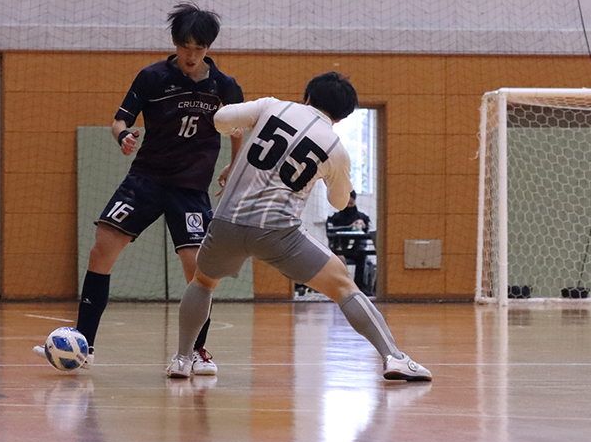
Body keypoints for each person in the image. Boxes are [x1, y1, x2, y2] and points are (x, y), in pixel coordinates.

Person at [166, 72, 432, 382]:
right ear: (342, 117)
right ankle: (394, 358)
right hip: (279, 234)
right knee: (344, 286)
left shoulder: (273, 106)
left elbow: (221, 118)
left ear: (307, 97)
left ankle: (182, 359)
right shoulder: (336, 148)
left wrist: (235, 132)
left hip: (227, 223)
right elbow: (339, 202)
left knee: (202, 282)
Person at [35, 3, 243, 374]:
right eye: (184, 47)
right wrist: (124, 137)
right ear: (175, 43)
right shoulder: (152, 77)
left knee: (199, 270)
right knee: (101, 250)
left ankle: (196, 351)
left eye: (198, 48)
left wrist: (233, 163)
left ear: (208, 47)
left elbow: (239, 128)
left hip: (191, 188)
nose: (190, 55)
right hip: (146, 179)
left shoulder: (224, 87)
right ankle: (84, 345)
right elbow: (119, 121)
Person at [326, 190, 373, 294]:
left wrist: (364, 226)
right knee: (338, 258)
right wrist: (349, 227)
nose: (349, 205)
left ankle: (359, 287)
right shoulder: (335, 217)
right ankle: (341, 286)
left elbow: (370, 231)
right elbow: (329, 231)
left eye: (351, 203)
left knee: (362, 257)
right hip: (339, 249)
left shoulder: (362, 217)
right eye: (347, 202)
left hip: (357, 249)